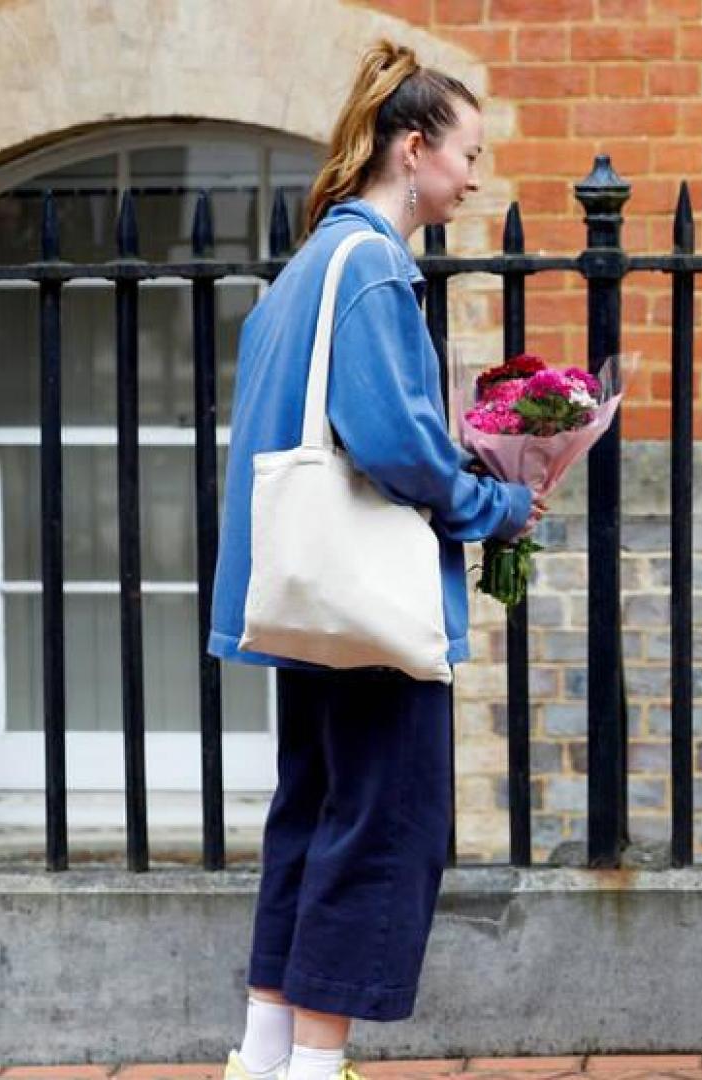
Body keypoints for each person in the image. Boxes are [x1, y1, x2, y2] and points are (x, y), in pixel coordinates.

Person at [208, 41, 541, 1080]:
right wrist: (497, 502)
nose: (476, 176)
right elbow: (397, 444)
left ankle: (263, 1058)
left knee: (310, 813)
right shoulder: (374, 265)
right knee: (382, 826)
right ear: (413, 149)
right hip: (370, 607)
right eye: (468, 152)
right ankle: (319, 1068)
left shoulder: (308, 265)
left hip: (305, 592)